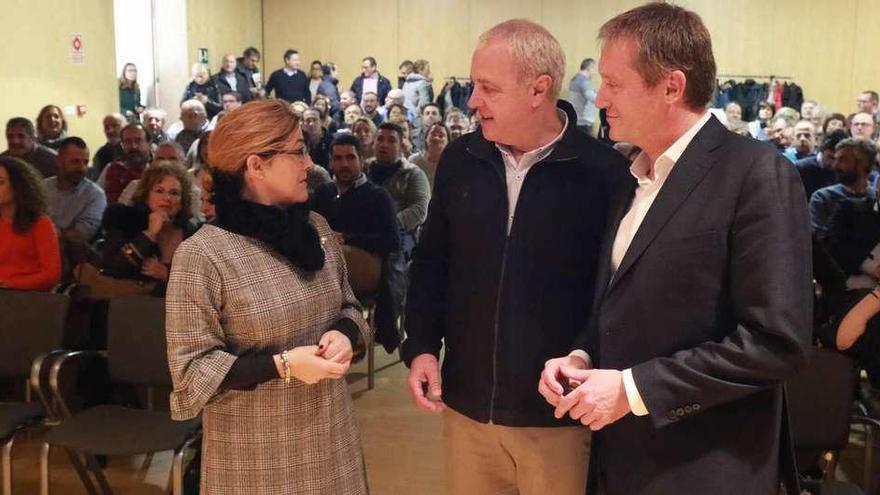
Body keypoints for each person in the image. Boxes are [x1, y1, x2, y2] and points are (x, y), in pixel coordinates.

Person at [538, 5, 811, 494]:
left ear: (671, 86)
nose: (599, 97)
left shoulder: (755, 173)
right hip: (621, 460)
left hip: (706, 465)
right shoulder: (630, 177)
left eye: (614, 83)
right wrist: (581, 355)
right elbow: (622, 304)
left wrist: (633, 389)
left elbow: (776, 343)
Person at [402, 19, 626, 495]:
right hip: (466, 409)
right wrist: (421, 344)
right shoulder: (462, 159)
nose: (472, 101)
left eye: (487, 88)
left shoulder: (602, 173)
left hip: (558, 418)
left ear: (538, 89)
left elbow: (612, 293)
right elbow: (432, 261)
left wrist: (587, 362)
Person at [166, 99, 370, 494]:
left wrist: (346, 333)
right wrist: (282, 366)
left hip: (331, 439)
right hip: (256, 456)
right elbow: (191, 374)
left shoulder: (316, 228)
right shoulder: (204, 255)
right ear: (255, 165)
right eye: (298, 151)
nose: (309, 164)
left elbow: (349, 306)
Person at [99, 161, 195, 296]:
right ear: (146, 195)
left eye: (174, 193)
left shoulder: (192, 232)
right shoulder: (124, 221)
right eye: (159, 191)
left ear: (182, 200)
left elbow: (202, 281)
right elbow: (113, 268)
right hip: (130, 306)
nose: (167, 198)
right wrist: (148, 235)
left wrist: (166, 273)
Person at [0, 156, 61, 290]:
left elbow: (51, 275)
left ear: (18, 186)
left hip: (27, 298)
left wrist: (9, 284)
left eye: (1, 182)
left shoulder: (40, 224)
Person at [408, 122, 449, 188]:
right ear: (426, 138)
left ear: (448, 141)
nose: (436, 138)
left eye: (441, 136)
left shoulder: (452, 164)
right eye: (433, 134)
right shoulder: (414, 161)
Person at [568, 57, 598, 134]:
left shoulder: (574, 80)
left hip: (576, 119)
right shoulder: (583, 82)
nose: (595, 72)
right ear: (589, 68)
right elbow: (594, 98)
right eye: (594, 69)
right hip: (584, 122)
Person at [91, 113, 126, 180]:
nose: (110, 131)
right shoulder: (100, 154)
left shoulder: (135, 150)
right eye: (106, 127)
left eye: (115, 126)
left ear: (125, 126)